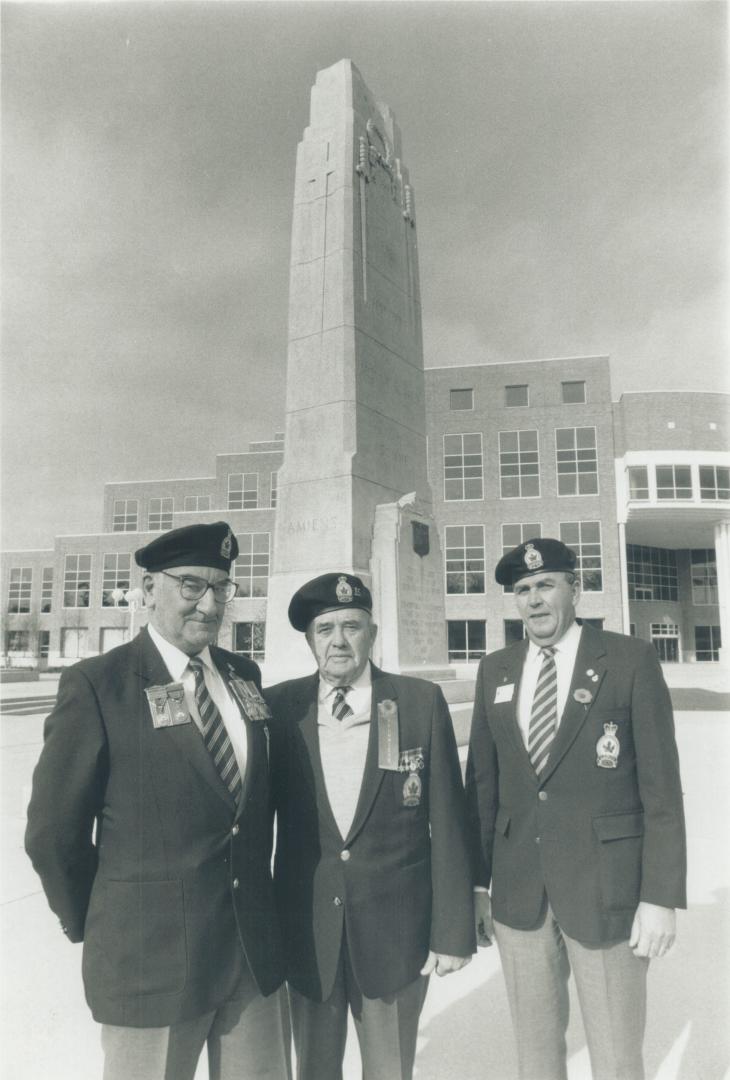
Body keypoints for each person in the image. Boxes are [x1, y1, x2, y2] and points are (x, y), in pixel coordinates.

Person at [25, 522, 290, 1080]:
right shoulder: (99, 684)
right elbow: (52, 834)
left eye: (222, 587)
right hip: (149, 962)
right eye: (191, 586)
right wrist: (97, 921)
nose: (209, 603)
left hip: (250, 957)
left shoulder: (245, 675)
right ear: (149, 589)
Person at [465, 537, 687, 1080]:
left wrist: (659, 896)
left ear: (576, 589)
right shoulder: (496, 669)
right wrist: (476, 885)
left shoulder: (629, 659)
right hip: (520, 896)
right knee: (535, 1059)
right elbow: (482, 790)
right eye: (522, 591)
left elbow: (662, 789)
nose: (534, 601)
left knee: (616, 1057)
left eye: (546, 585)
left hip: (605, 890)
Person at [266, 572, 475, 1080]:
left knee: (390, 1068)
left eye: (352, 627)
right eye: (325, 629)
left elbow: (449, 822)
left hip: (396, 933)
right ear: (311, 640)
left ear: (373, 633)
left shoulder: (418, 702)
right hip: (308, 931)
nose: (338, 641)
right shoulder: (278, 708)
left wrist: (452, 931)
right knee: (314, 1068)